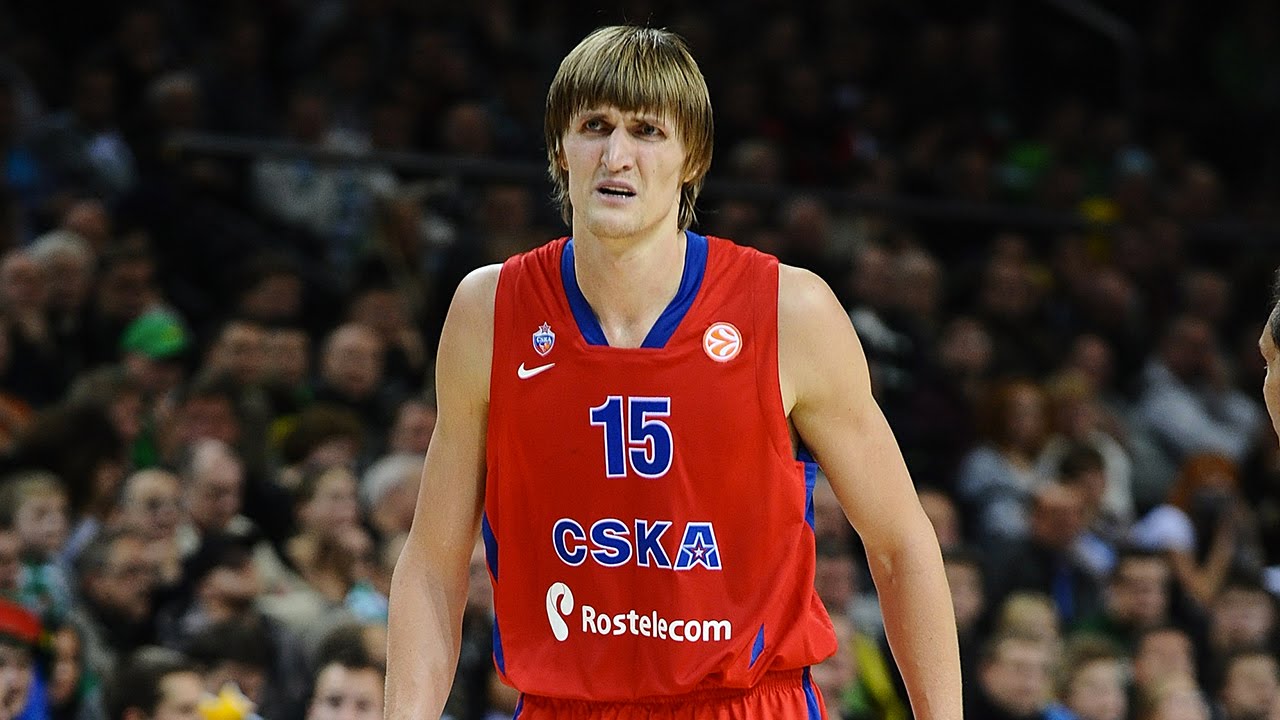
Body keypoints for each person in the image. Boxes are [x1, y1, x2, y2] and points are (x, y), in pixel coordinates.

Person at [385, 24, 960, 720]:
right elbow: (433, 564)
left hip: (744, 703)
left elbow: (901, 543)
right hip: (566, 702)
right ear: (560, 148)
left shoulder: (788, 309)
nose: (616, 155)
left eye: (647, 131)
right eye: (594, 126)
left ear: (693, 158)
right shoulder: (489, 310)